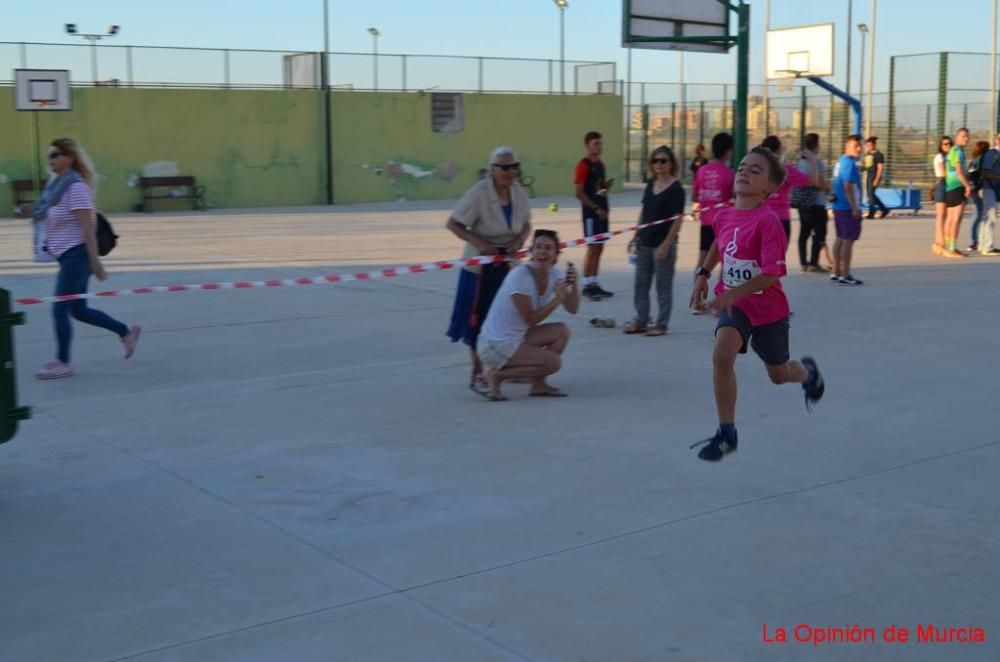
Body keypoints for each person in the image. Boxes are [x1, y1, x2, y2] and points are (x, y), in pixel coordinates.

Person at [688, 147, 825, 462]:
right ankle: (727, 434)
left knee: (778, 375)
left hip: (767, 310)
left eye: (755, 170)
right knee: (722, 356)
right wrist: (703, 274)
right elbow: (717, 246)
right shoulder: (723, 214)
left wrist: (729, 295)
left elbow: (769, 275)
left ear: (770, 187)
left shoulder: (768, 223)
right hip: (735, 307)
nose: (744, 172)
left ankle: (807, 374)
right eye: (742, 167)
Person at [17, 138, 141, 379]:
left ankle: (63, 362)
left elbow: (88, 227)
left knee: (59, 309)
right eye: (49, 156)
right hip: (66, 256)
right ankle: (126, 332)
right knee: (79, 310)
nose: (50, 159)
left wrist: (96, 264)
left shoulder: (76, 187)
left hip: (78, 255)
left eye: (55, 154)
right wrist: (31, 213)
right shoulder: (56, 186)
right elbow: (50, 214)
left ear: (69, 158)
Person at [446, 146, 533, 396]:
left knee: (509, 318)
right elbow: (454, 223)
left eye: (514, 167)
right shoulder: (479, 193)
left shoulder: (518, 192)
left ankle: (507, 367)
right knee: (478, 319)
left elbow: (527, 223)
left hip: (508, 265)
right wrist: (482, 244)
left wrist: (519, 240)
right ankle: (477, 373)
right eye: (505, 167)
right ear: (492, 169)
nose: (511, 172)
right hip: (480, 269)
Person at [478, 229, 580, 401]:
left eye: (548, 248)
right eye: (538, 247)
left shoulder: (555, 274)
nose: (542, 251)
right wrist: (556, 300)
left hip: (516, 337)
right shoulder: (520, 276)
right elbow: (530, 320)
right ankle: (497, 375)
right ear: (531, 252)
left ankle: (538, 385)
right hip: (494, 345)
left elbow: (573, 309)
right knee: (553, 363)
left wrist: (575, 285)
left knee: (562, 331)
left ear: (556, 255)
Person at [623, 146, 685, 336]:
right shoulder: (650, 185)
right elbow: (644, 212)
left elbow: (677, 219)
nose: (659, 164)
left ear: (671, 164)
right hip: (645, 242)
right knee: (641, 283)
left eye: (663, 161)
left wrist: (667, 245)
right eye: (655, 161)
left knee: (662, 286)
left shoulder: (676, 189)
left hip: (662, 244)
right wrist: (635, 235)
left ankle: (661, 323)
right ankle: (641, 320)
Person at [691, 132, 734, 314]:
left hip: (706, 222)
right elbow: (734, 199)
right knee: (725, 262)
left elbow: (695, 196)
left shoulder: (702, 170)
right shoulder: (730, 173)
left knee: (702, 262)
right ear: (728, 151)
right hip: (723, 224)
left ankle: (697, 302)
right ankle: (719, 302)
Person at [575, 131, 614, 301]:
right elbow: (579, 193)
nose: (599, 147)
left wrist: (605, 187)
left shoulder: (601, 165)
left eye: (600, 143)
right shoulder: (582, 166)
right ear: (587, 145)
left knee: (600, 247)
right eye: (596, 144)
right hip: (591, 214)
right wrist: (595, 207)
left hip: (602, 212)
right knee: (592, 248)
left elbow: (598, 189)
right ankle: (586, 285)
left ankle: (594, 282)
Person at [760, 135, 817, 242]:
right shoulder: (786, 170)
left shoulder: (758, 169)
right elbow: (812, 181)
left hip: (761, 219)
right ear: (778, 150)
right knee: (778, 257)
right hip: (781, 219)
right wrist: (813, 161)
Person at [831, 134, 865, 285]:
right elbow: (848, 186)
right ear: (847, 146)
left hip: (839, 206)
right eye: (855, 146)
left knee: (840, 238)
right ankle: (845, 274)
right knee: (848, 241)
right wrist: (855, 207)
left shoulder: (840, 162)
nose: (859, 149)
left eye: (860, 145)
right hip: (847, 207)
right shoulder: (849, 164)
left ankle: (836, 271)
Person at [795, 133, 831, 272]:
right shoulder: (816, 161)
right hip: (816, 202)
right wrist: (829, 188)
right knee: (820, 232)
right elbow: (820, 182)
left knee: (804, 232)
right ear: (817, 144)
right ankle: (814, 263)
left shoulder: (800, 161)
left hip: (803, 202)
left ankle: (803, 262)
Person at [942, 128, 972, 258]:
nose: (965, 139)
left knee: (950, 218)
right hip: (957, 187)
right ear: (957, 136)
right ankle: (951, 248)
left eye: (967, 137)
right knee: (956, 219)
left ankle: (949, 246)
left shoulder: (952, 151)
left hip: (950, 187)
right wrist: (967, 186)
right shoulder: (958, 151)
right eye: (963, 136)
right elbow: (959, 172)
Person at [976, 134, 1000, 256]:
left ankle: (982, 245)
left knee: (987, 217)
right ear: (997, 140)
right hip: (989, 188)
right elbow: (985, 172)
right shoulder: (992, 154)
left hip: (996, 189)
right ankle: (988, 247)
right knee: (990, 217)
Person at [967, 140, 990, 252]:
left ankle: (976, 240)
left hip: (973, 189)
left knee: (978, 214)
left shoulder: (974, 160)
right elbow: (979, 175)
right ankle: (975, 240)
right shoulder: (982, 160)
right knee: (978, 214)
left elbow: (970, 175)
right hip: (977, 189)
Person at [931, 136, 952, 255]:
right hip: (942, 183)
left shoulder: (951, 156)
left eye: (949, 144)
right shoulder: (940, 157)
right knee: (941, 215)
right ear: (941, 145)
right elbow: (943, 172)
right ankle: (939, 242)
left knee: (948, 215)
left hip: (949, 184)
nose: (947, 146)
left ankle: (940, 242)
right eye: (945, 144)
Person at [862, 137, 888, 219]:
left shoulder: (878, 155)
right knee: (871, 195)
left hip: (874, 176)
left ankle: (872, 212)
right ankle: (884, 209)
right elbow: (866, 166)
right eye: (867, 145)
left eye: (870, 145)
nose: (868, 147)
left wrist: (877, 179)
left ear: (874, 145)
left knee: (870, 195)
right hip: (868, 176)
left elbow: (880, 168)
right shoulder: (868, 154)